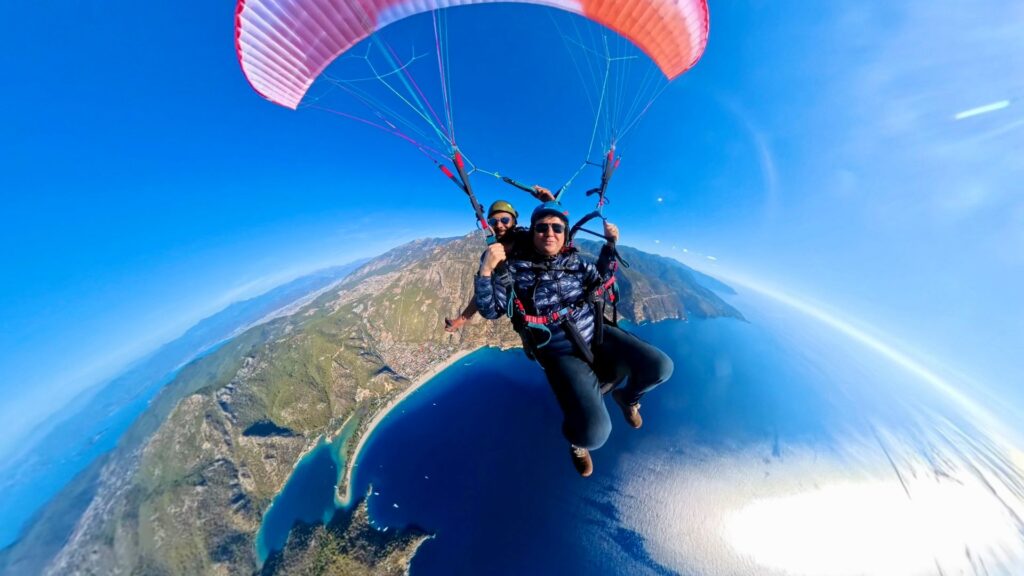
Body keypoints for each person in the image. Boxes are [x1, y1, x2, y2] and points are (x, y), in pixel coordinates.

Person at [473, 201, 674, 477]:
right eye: (542, 227)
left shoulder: (575, 263)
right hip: (559, 350)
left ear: (565, 234)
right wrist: (486, 271)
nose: (549, 232)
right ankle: (578, 445)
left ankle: (628, 399)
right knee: (594, 434)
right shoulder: (515, 271)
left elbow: (602, 276)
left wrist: (610, 245)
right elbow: (491, 309)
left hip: (596, 333)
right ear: (532, 232)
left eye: (557, 227)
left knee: (660, 366)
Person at [445, 187, 556, 332]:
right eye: (493, 221)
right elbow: (483, 292)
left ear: (514, 221)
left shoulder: (530, 240)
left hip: (556, 311)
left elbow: (555, 237)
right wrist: (461, 320)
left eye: (505, 220)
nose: (499, 225)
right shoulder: (489, 255)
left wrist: (551, 204)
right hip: (532, 328)